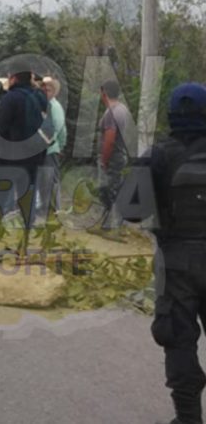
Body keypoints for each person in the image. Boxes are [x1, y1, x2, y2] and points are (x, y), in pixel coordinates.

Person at [120, 83, 206, 424]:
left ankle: (188, 419)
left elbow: (130, 210)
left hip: (178, 262)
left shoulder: (159, 154)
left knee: (178, 338)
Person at [0, 65, 49, 246]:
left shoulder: (11, 99)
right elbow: (47, 129)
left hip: (10, 158)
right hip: (33, 160)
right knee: (27, 204)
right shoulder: (40, 98)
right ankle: (24, 247)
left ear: (12, 78)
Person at [90, 79, 135, 240]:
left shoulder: (111, 112)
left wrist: (104, 159)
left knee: (107, 191)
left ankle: (114, 227)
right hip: (120, 155)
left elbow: (109, 138)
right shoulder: (123, 109)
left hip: (113, 157)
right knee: (114, 189)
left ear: (104, 93)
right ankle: (110, 224)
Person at [36, 77, 67, 220]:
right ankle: (46, 208)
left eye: (48, 90)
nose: (44, 92)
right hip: (42, 149)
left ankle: (55, 210)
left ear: (54, 92)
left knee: (51, 180)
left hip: (50, 149)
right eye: (43, 89)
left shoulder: (55, 107)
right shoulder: (43, 106)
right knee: (43, 181)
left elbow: (60, 127)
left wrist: (58, 145)